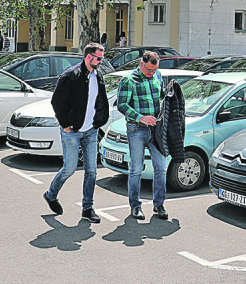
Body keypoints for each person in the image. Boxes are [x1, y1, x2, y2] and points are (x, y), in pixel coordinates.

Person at [44, 43, 109, 223]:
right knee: (69, 168)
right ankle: (51, 194)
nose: (101, 61)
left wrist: (99, 121)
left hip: (91, 131)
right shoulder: (70, 76)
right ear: (89, 57)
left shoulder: (98, 76)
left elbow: (101, 100)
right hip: (72, 131)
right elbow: (57, 102)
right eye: (99, 58)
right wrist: (65, 124)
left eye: (102, 58)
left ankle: (87, 209)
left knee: (92, 171)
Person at [117, 51, 166, 220]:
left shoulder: (158, 75)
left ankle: (159, 204)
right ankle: (135, 206)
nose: (151, 73)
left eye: (154, 70)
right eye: (148, 70)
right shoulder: (129, 80)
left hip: (156, 131)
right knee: (136, 169)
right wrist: (141, 117)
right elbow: (121, 105)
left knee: (161, 167)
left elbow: (162, 97)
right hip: (136, 129)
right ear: (141, 63)